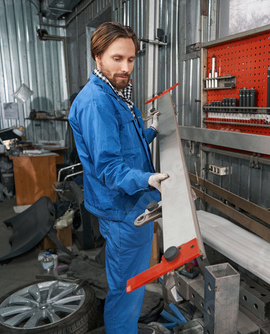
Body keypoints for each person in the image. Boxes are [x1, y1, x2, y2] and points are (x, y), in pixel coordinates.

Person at [68, 22, 169, 334]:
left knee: (131, 283)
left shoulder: (115, 93)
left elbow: (123, 142)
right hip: (124, 209)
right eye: (117, 58)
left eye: (131, 59)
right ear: (98, 57)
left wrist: (151, 130)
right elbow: (110, 168)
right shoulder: (97, 102)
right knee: (127, 288)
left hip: (133, 203)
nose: (126, 67)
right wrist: (148, 180)